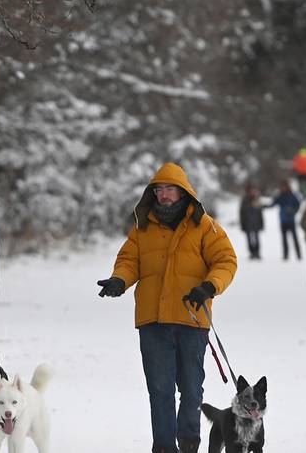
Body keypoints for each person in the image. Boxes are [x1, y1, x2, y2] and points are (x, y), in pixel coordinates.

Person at [95, 162, 238, 453]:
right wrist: (119, 281)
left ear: (184, 191)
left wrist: (209, 286)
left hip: (191, 319)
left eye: (170, 189)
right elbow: (128, 261)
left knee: (191, 389)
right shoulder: (142, 228)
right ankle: (163, 447)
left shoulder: (204, 226)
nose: (164, 195)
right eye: (158, 190)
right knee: (159, 390)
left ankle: (188, 443)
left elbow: (226, 260)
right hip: (153, 322)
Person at [268, 180, 302, 261]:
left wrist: (293, 211)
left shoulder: (292, 195)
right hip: (283, 221)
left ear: (288, 186)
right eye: (282, 187)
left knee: (295, 238)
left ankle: (299, 255)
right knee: (284, 239)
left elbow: (298, 205)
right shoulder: (280, 196)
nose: (283, 188)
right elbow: (272, 204)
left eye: (285, 186)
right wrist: (263, 206)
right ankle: (286, 255)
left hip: (291, 221)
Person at [238, 183, 264, 260]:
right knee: (249, 239)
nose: (252, 192)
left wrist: (262, 223)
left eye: (253, 190)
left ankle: (257, 252)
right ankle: (252, 253)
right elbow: (241, 213)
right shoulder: (244, 200)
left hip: (256, 223)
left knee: (257, 238)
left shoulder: (257, 199)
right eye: (251, 190)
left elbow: (260, 213)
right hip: (247, 223)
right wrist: (242, 224)